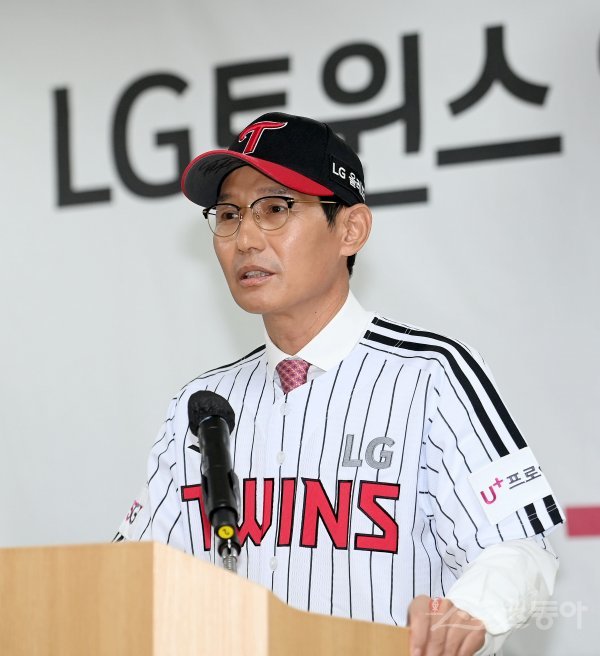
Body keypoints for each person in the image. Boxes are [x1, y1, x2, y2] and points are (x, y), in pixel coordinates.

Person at [115, 112, 564, 656]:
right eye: (229, 215)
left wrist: (472, 612)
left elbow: (520, 544)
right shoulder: (203, 406)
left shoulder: (430, 375)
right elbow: (135, 574)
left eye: (275, 208)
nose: (245, 239)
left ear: (350, 230)